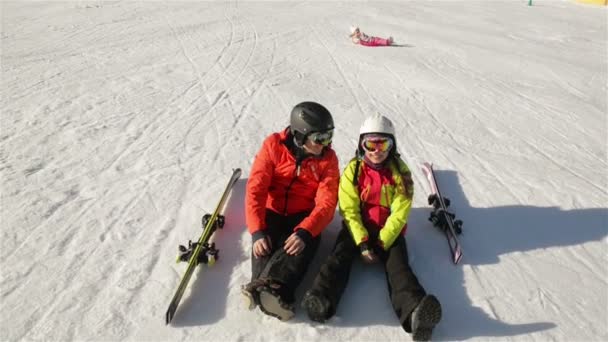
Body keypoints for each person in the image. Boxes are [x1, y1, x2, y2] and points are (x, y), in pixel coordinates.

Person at [301, 113, 442, 341]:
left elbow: (400, 211)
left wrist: (383, 241)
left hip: (390, 230)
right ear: (361, 145)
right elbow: (349, 208)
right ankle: (322, 298)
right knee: (338, 258)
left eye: (383, 143)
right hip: (357, 228)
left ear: (392, 145)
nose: (377, 151)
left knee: (399, 268)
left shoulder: (401, 173)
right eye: (371, 144)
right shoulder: (353, 170)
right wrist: (362, 241)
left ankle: (415, 312)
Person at [241, 101, 340, 321]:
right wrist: (257, 231)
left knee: (301, 246)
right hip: (273, 210)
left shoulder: (328, 160)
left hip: (302, 214)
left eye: (329, 137)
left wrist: (305, 231)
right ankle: (273, 292)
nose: (326, 144)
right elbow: (256, 189)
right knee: (265, 243)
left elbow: (327, 202)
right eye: (320, 138)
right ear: (300, 135)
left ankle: (260, 289)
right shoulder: (273, 146)